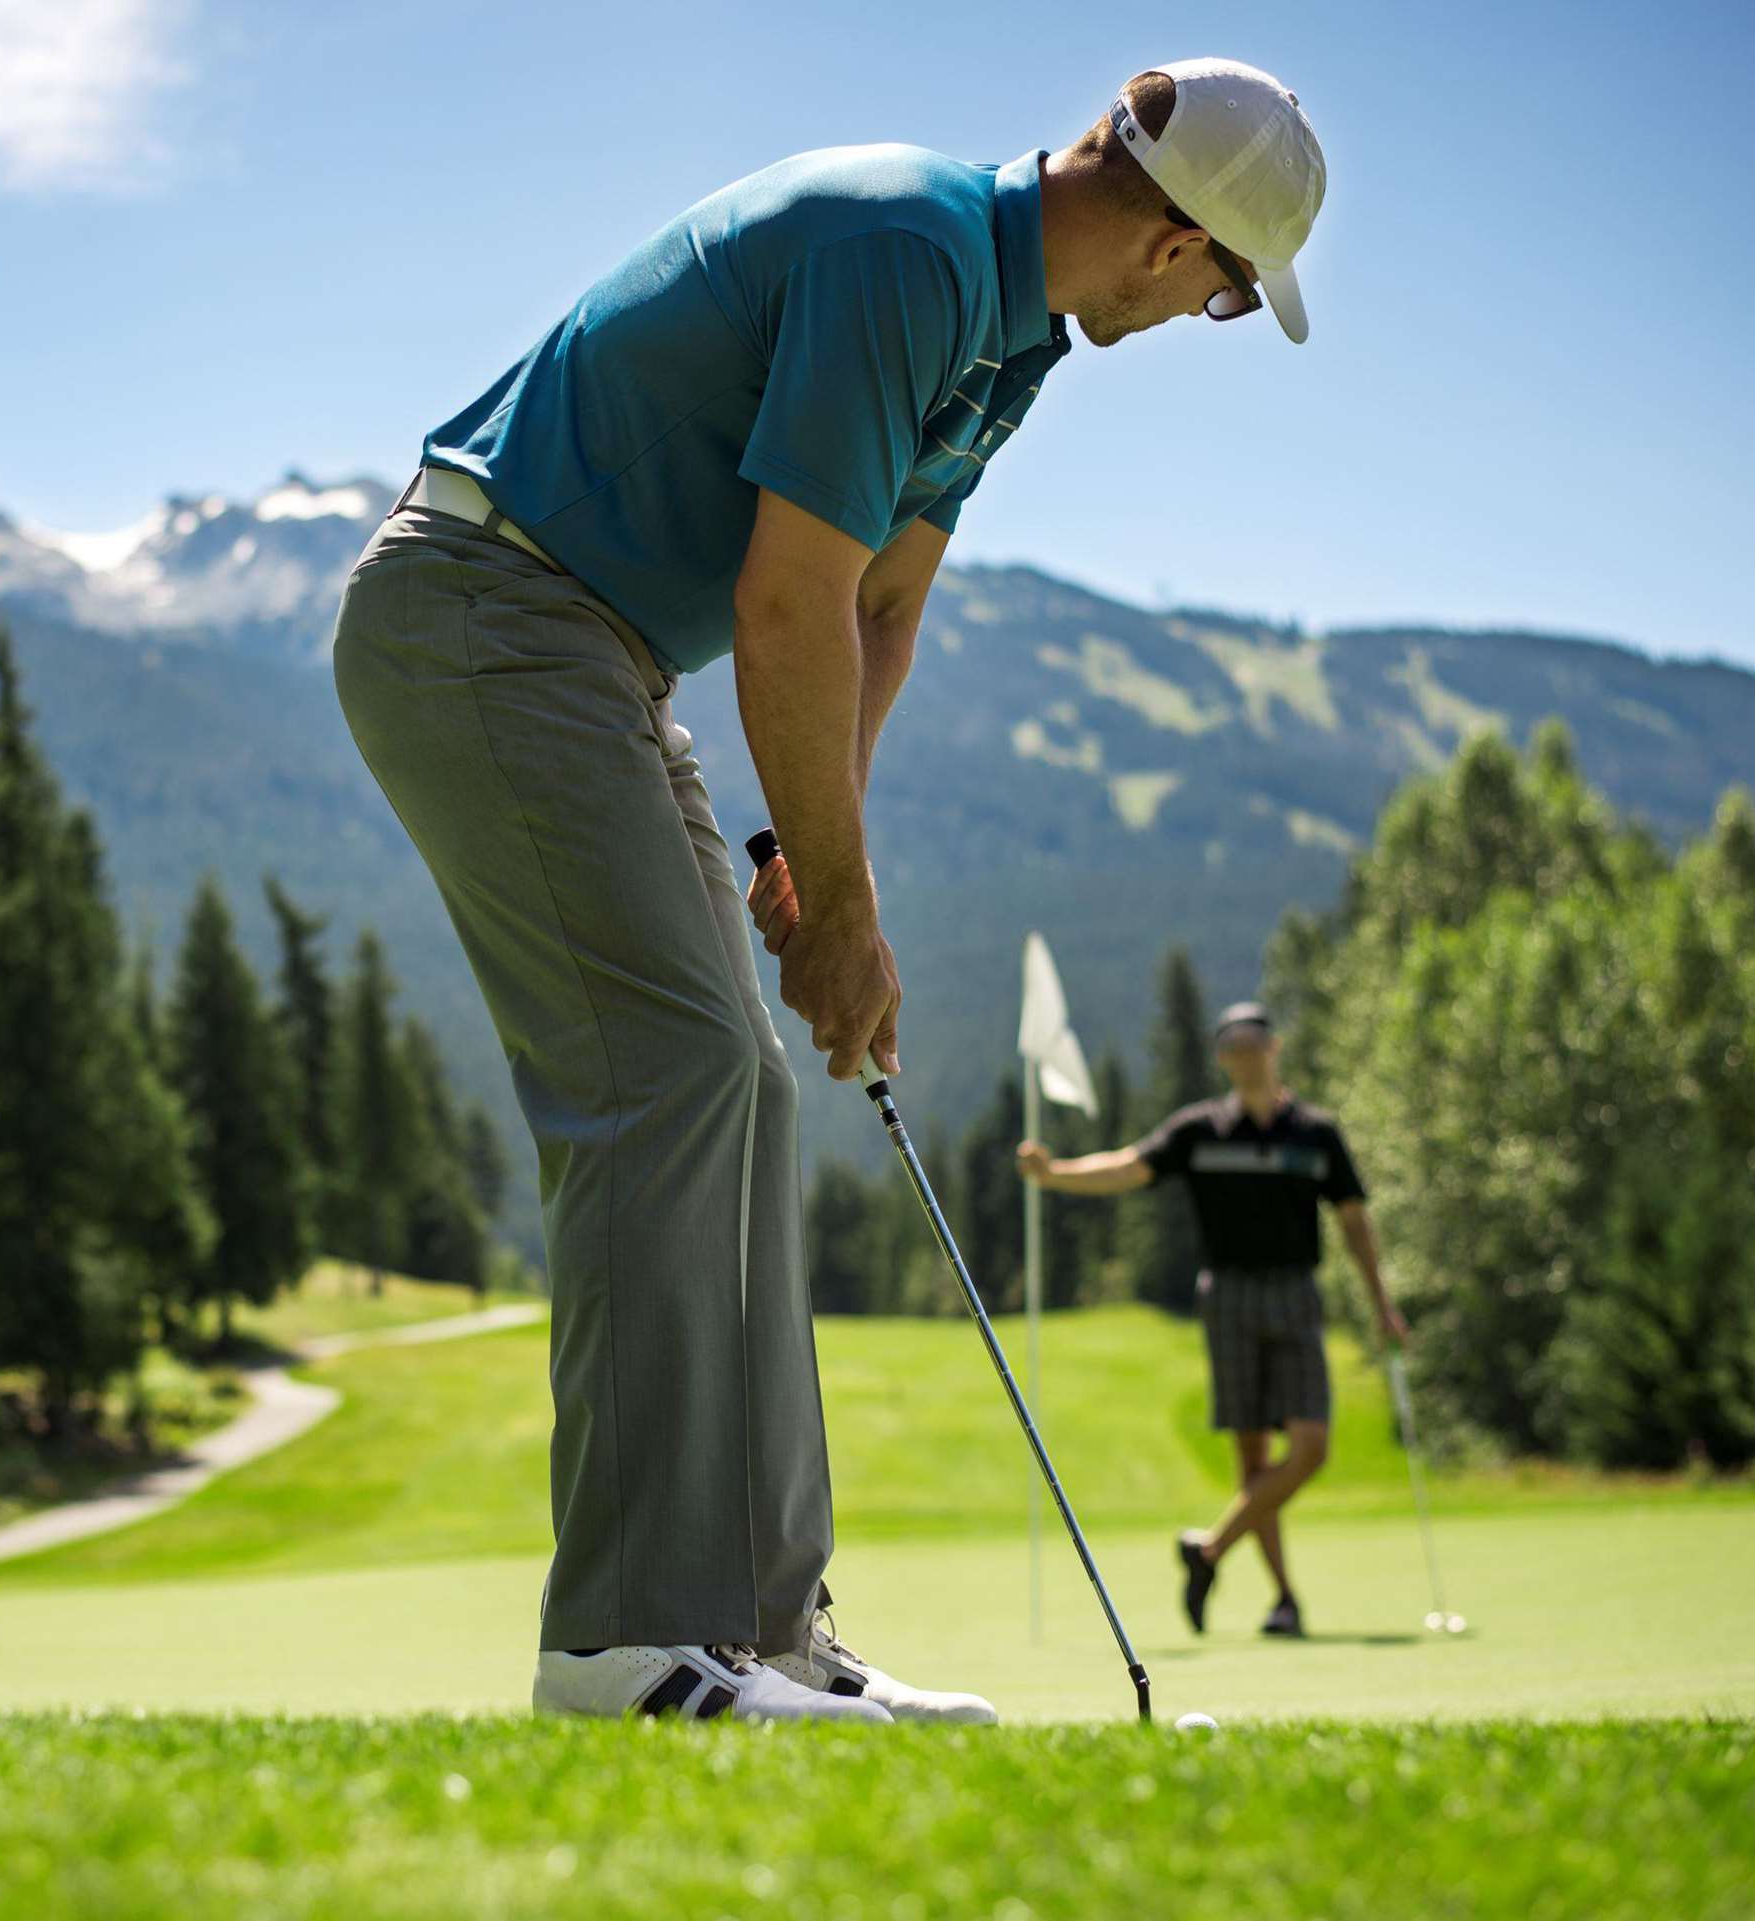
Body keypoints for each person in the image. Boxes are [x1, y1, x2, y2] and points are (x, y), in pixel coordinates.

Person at [332, 62, 1328, 1724]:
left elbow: (877, 609)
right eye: (1226, 294)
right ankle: (625, 1644)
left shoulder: (1004, 343)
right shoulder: (903, 251)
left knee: (741, 1085)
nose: (1202, 316)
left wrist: (818, 860)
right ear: (1172, 248)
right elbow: (786, 602)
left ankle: (760, 1628)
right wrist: (846, 920)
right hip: (484, 613)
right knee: (668, 1076)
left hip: (595, 654)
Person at [1017, 1001, 1404, 1639]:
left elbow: (1354, 1221)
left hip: (1296, 1294)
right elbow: (1128, 1167)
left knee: (1310, 1447)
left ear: (1275, 1048)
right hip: (1228, 1297)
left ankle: (1210, 1549)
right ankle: (1284, 1600)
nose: (1245, 1054)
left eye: (1255, 1042)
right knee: (1252, 1457)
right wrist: (1054, 1174)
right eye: (1233, 1046)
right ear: (1223, 1058)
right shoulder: (1200, 1131)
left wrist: (1381, 1302)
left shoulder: (1316, 1133)